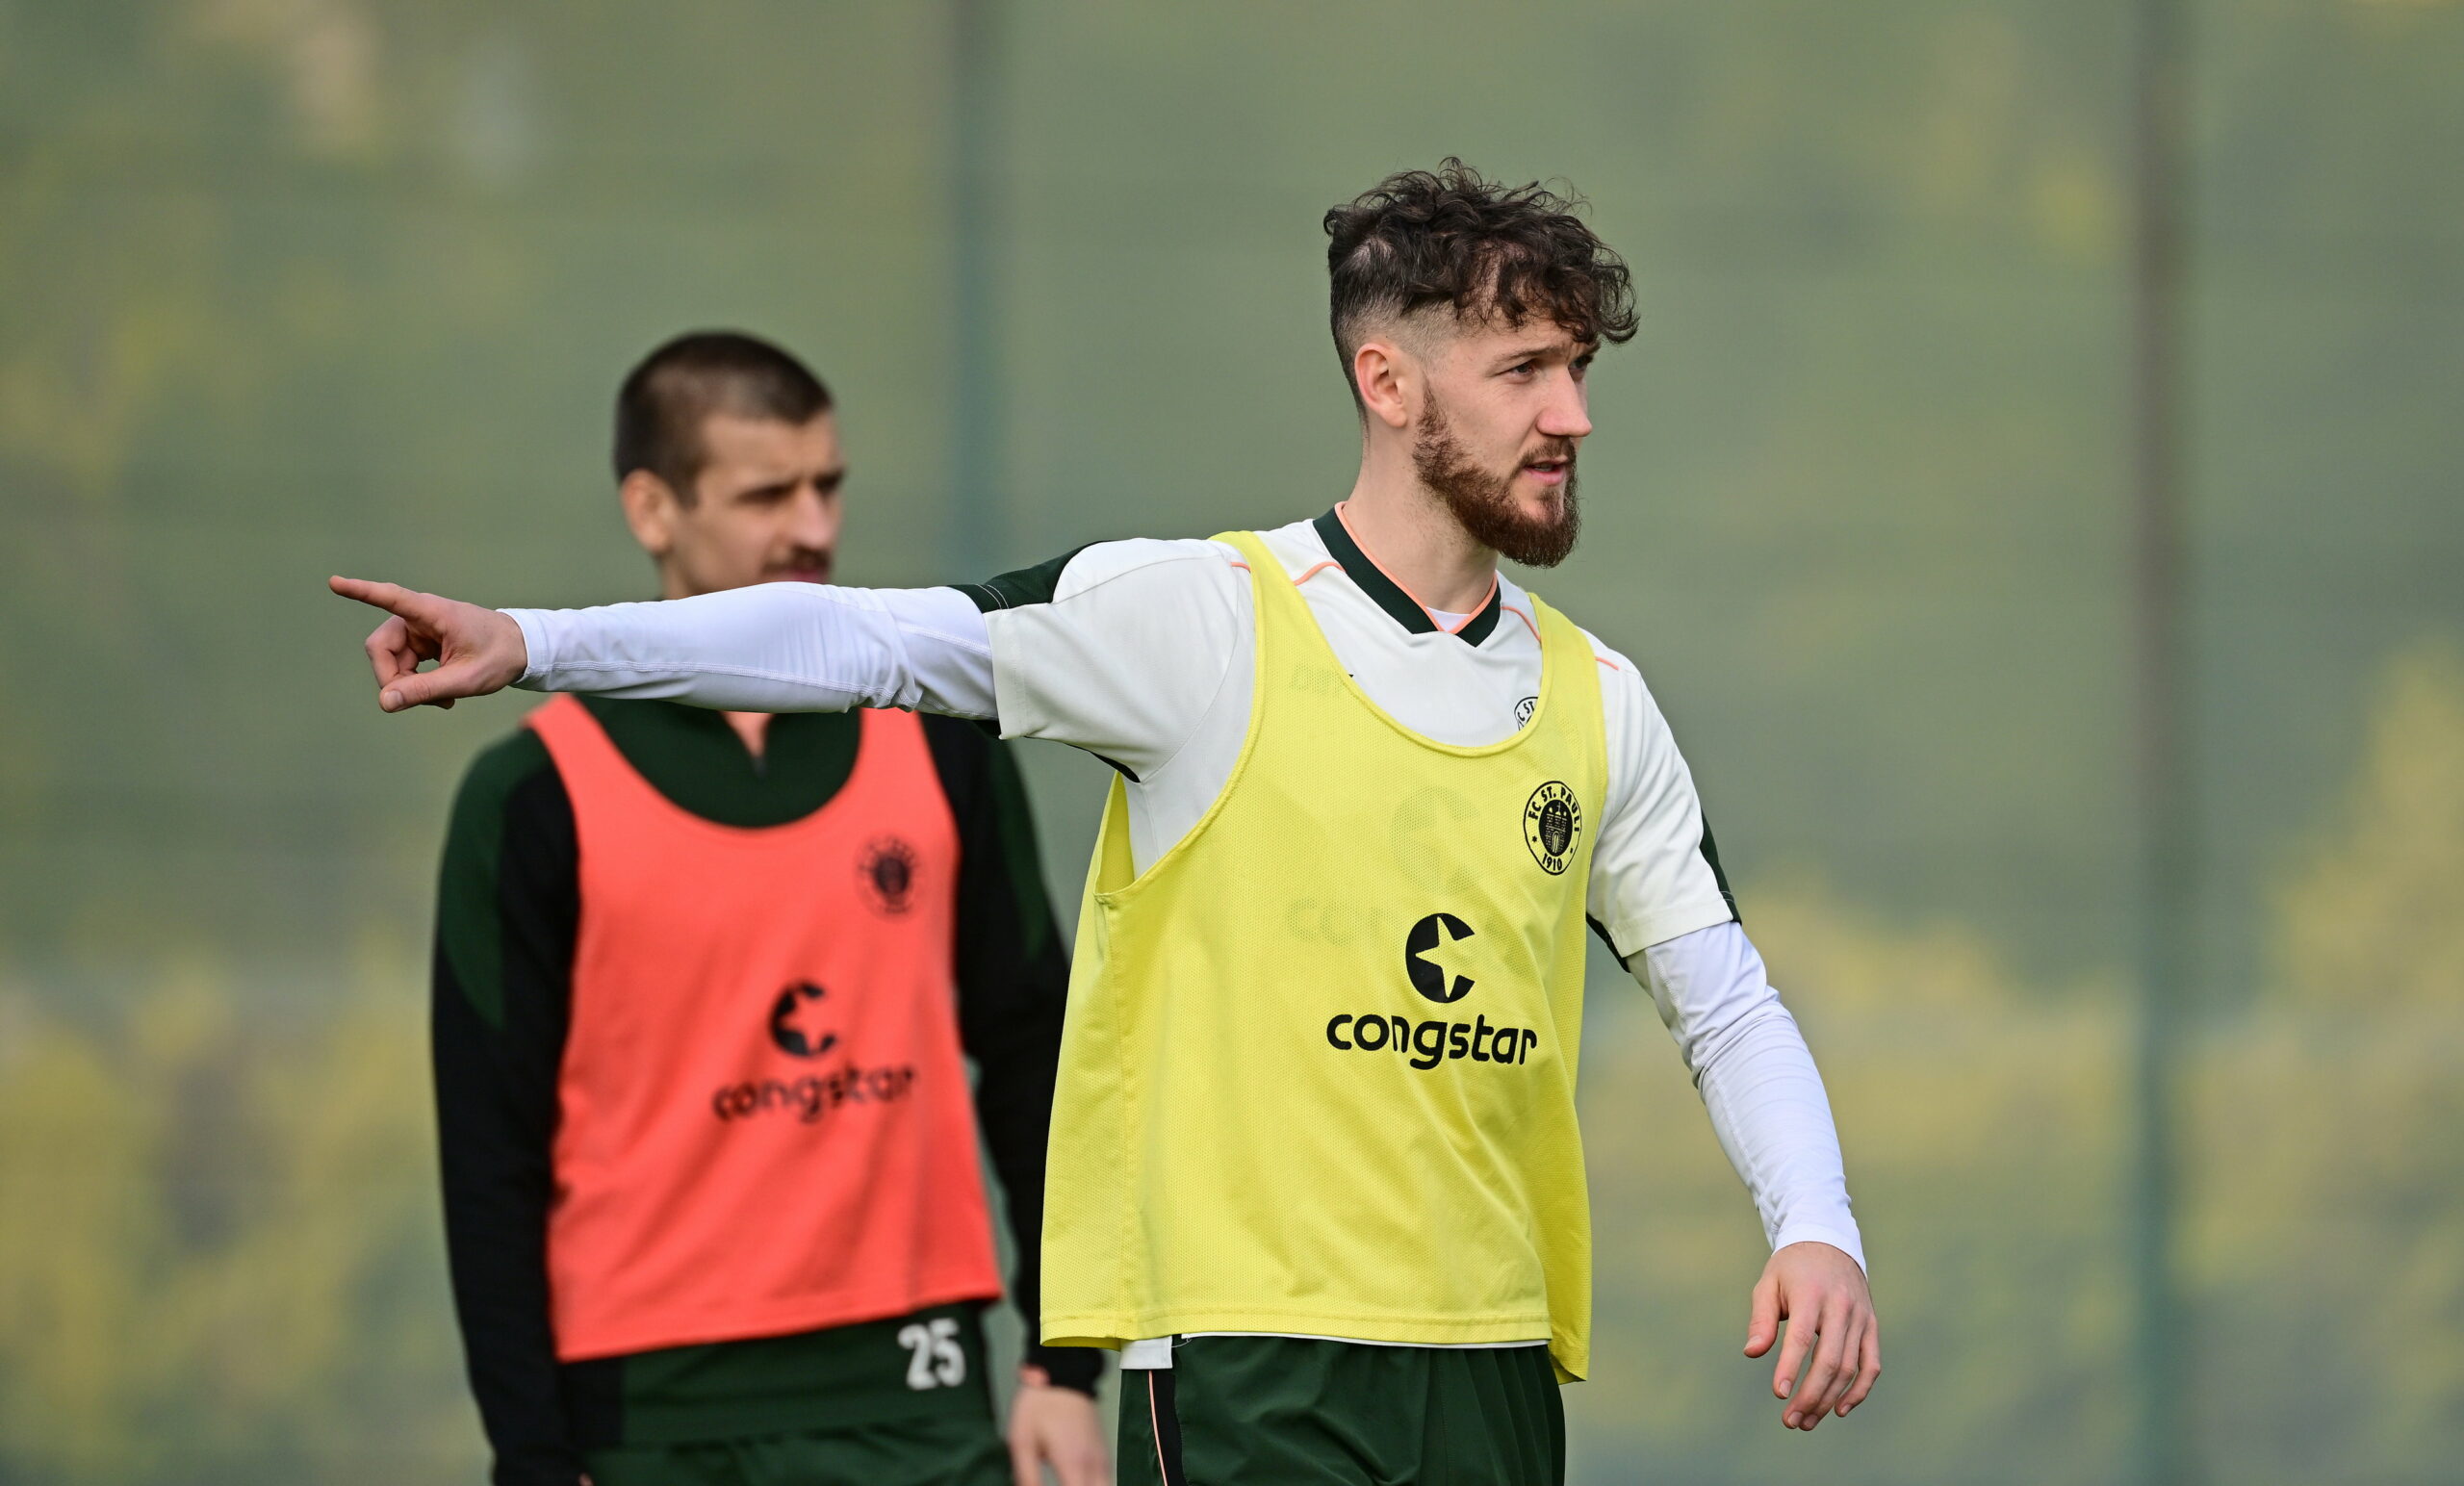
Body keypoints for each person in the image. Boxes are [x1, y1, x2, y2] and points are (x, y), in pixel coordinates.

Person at [346, 164, 1882, 1485]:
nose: (1575, 415)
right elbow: (872, 642)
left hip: (1491, 1357)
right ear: (1388, 383)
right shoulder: (1199, 623)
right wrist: (538, 642)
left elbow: (1725, 1000)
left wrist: (1817, 1225)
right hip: (1240, 1360)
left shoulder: (1598, 701)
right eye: (1528, 371)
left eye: (1580, 370)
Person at [426, 331, 1107, 1486]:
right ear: (652, 508)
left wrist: (1062, 1362)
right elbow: (490, 1158)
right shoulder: (532, 796)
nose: (811, 525)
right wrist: (534, 1455)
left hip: (914, 1393)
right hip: (649, 1411)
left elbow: (1035, 1051)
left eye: (827, 484)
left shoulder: (941, 748)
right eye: (766, 492)